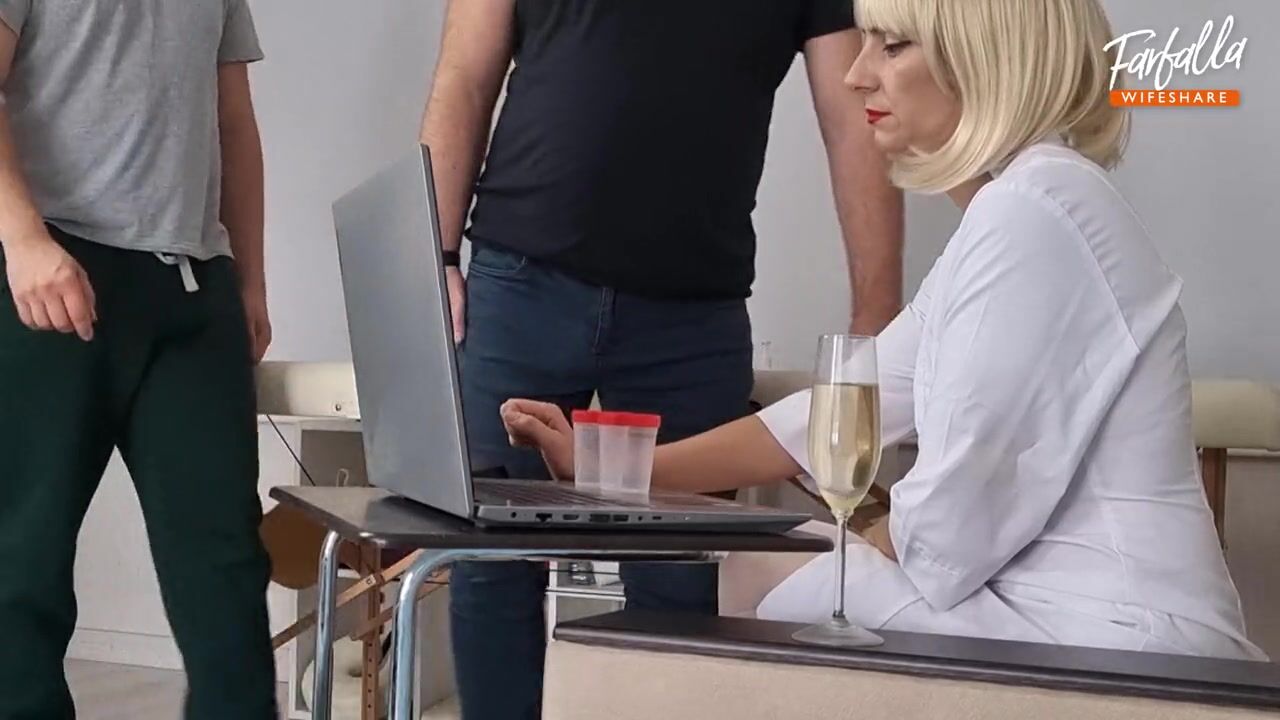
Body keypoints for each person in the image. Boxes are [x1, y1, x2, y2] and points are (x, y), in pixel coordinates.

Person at [501, 0, 1268, 662]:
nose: (855, 74)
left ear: (983, 59)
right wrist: (613, 475)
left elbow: (948, 535)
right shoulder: (1018, 210)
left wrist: (860, 532)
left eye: (892, 46)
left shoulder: (1032, 217)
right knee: (766, 555)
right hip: (1068, 618)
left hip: (1111, 639)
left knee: (762, 564)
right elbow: (836, 412)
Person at [418, 1, 905, 716]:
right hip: (520, 282)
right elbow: (462, 75)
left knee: (681, 572)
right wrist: (434, 256)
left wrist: (876, 319)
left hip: (691, 315)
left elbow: (854, 116)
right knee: (491, 560)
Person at [0, 2, 279, 717]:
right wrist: (23, 240)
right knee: (20, 557)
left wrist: (250, 278)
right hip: (54, 272)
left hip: (194, 280)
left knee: (224, 564)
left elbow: (234, 120)